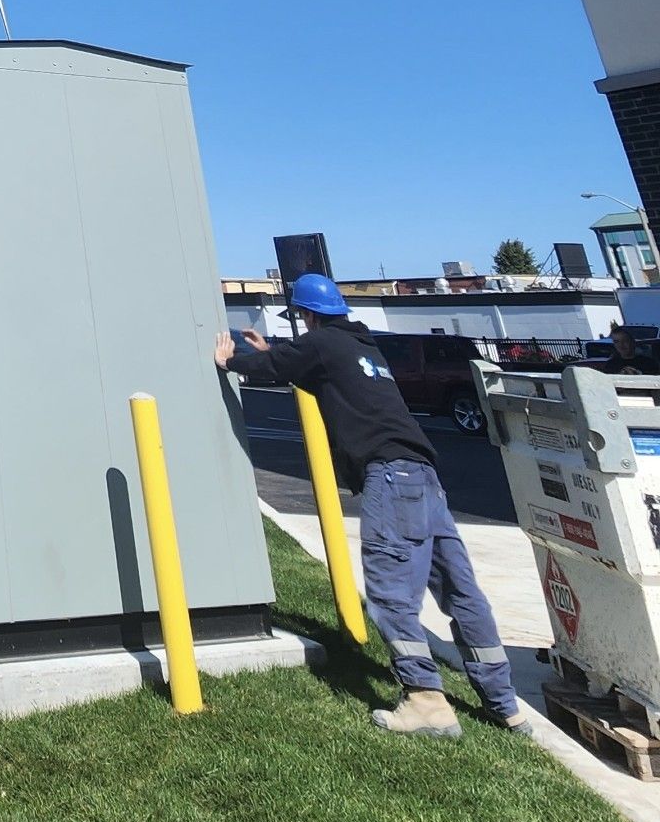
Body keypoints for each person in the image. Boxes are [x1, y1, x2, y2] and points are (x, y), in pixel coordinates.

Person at [216, 272, 528, 740]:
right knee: (461, 591)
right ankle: (505, 705)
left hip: (390, 476)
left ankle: (425, 700)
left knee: (390, 591)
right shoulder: (364, 348)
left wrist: (230, 360)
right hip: (425, 477)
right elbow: (302, 366)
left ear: (307, 316)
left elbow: (275, 367)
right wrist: (269, 354)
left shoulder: (322, 344)